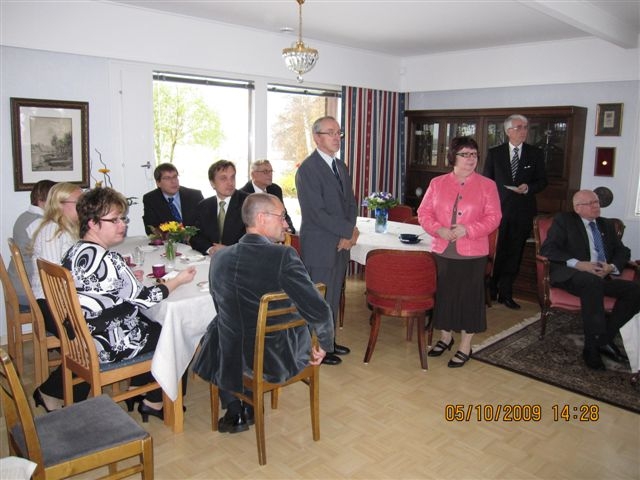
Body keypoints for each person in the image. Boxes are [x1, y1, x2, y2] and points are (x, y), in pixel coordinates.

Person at [193, 193, 333, 433]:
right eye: (282, 217)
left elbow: (219, 305)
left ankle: (236, 407)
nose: (286, 224)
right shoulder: (283, 256)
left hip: (232, 353)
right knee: (231, 328)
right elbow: (318, 309)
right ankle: (244, 405)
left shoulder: (220, 257)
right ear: (261, 218)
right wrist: (325, 343)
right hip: (274, 357)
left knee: (220, 328)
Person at [62, 187, 197, 420]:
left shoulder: (75, 251)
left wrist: (126, 279)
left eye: (123, 219)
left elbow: (99, 287)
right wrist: (177, 281)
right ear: (92, 223)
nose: (122, 225)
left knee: (152, 322)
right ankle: (155, 401)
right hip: (106, 342)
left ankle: (139, 387)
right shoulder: (108, 259)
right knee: (175, 331)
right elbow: (146, 298)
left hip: (82, 334)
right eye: (114, 220)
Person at [418, 136, 501, 368]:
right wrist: (439, 229)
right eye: (465, 154)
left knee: (469, 299)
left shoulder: (487, 185)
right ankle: (446, 338)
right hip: (442, 249)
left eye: (474, 154)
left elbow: (494, 217)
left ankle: (465, 345)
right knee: (444, 295)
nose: (470, 158)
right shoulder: (437, 183)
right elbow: (424, 213)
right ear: (453, 157)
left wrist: (468, 229)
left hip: (473, 252)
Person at [540, 189, 640, 370]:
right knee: (591, 282)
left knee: (635, 290)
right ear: (577, 208)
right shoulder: (564, 221)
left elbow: (623, 251)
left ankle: (604, 339)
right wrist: (579, 264)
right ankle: (591, 349)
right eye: (591, 203)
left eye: (597, 202)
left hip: (601, 276)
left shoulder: (606, 224)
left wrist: (611, 267)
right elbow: (548, 249)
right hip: (572, 275)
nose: (596, 206)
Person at [295, 116, 358, 366]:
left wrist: (348, 233)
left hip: (340, 243)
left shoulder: (340, 166)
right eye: (330, 132)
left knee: (332, 297)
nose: (336, 137)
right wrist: (348, 232)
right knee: (318, 300)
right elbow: (316, 213)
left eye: (338, 133)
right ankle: (314, 348)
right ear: (316, 137)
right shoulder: (308, 169)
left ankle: (328, 343)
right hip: (320, 245)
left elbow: (350, 203)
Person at [28, 182, 87, 411]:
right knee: (91, 341)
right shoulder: (52, 232)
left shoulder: (68, 227)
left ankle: (69, 393)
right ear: (60, 204)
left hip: (64, 300)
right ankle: (51, 391)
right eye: (79, 202)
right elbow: (56, 282)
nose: (84, 206)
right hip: (53, 304)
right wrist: (77, 312)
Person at [483, 114, 547, 309]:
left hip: (522, 212)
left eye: (526, 127)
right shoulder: (495, 153)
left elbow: (543, 181)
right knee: (497, 251)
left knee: (514, 253)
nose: (523, 131)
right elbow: (486, 182)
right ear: (508, 131)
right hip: (498, 211)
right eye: (519, 127)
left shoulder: (535, 153)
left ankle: (506, 293)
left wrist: (528, 187)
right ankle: (490, 290)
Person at [8, 179, 55, 304]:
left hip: (17, 283)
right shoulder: (40, 224)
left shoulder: (25, 216)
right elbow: (50, 260)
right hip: (28, 290)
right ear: (41, 200)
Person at [190, 160, 249, 255]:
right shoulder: (204, 206)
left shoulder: (249, 202)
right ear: (212, 183)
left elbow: (256, 239)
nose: (230, 183)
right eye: (223, 178)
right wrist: (210, 249)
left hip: (240, 258)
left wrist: (230, 250)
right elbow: (195, 236)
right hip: (210, 258)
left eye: (232, 177)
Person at [142, 163, 204, 235]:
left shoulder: (195, 196)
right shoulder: (151, 199)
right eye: (167, 178)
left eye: (175, 177)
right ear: (158, 183)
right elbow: (151, 228)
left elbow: (205, 222)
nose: (173, 181)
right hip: (168, 240)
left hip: (196, 239)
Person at [240, 159, 296, 233]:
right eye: (265, 171)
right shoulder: (243, 195)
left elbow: (283, 213)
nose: (270, 174)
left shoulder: (275, 189)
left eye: (271, 171)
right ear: (253, 175)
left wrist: (289, 229)